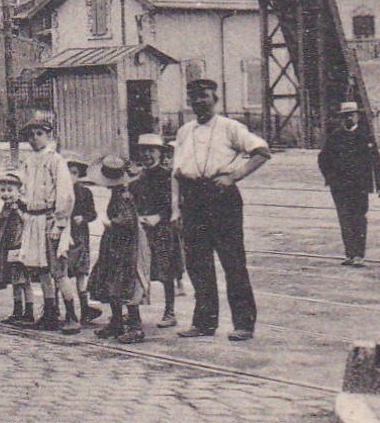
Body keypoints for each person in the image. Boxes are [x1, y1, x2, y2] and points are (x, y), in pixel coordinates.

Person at [171, 77, 272, 342]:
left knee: (233, 263)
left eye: (204, 96)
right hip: (192, 199)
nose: (198, 101)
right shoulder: (184, 132)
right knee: (198, 264)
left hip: (221, 197)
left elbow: (262, 151)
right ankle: (204, 322)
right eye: (193, 97)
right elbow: (177, 174)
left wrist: (234, 176)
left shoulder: (230, 127)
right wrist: (177, 209)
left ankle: (243, 324)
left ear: (215, 99)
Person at [18, 114, 79, 332]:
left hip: (51, 220)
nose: (34, 139)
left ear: (48, 135)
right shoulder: (28, 161)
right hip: (33, 220)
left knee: (57, 270)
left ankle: (72, 315)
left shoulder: (55, 160)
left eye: (39, 134)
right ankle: (51, 313)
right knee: (41, 269)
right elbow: (24, 189)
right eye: (30, 135)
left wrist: (59, 224)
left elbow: (65, 194)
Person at [86, 155, 151, 343]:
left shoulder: (123, 196)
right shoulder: (119, 193)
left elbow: (128, 221)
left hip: (125, 246)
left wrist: (111, 223)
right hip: (116, 244)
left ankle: (135, 326)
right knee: (112, 282)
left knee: (124, 284)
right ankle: (116, 322)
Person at [317, 101, 380, 267]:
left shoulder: (365, 137)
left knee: (359, 218)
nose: (349, 118)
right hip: (340, 187)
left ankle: (359, 255)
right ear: (341, 118)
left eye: (352, 115)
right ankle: (349, 254)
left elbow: (376, 161)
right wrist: (331, 177)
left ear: (358, 116)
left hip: (360, 186)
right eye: (345, 115)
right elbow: (322, 159)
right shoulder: (335, 136)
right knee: (345, 219)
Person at [132, 134, 180, 326]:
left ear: (160, 153)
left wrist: (159, 217)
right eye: (144, 150)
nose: (147, 155)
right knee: (137, 268)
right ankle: (133, 311)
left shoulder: (168, 176)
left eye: (152, 150)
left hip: (162, 229)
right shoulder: (137, 177)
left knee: (165, 270)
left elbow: (174, 202)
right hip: (142, 228)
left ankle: (170, 312)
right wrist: (137, 217)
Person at [0, 172, 32, 325]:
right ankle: (17, 311)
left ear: (19, 191)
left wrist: (17, 210)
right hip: (9, 248)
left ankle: (29, 312)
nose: (6, 194)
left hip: (21, 247)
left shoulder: (23, 206)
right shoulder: (6, 207)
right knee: (15, 281)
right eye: (3, 190)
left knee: (24, 281)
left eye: (10, 190)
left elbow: (27, 222)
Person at [63, 152, 102, 326]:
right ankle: (64, 309)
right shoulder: (60, 192)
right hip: (64, 233)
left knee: (80, 272)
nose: (70, 176)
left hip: (80, 235)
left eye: (74, 172)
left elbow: (93, 213)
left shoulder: (85, 192)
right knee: (62, 271)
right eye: (67, 172)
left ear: (79, 175)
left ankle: (85, 308)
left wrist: (84, 218)